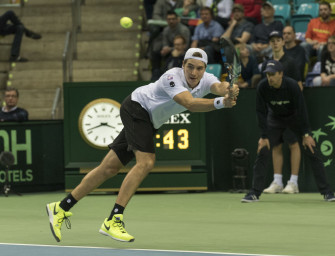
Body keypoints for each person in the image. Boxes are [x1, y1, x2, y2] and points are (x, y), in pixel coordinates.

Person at [46, 48, 239, 243]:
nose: (194, 72)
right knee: (146, 162)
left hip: (148, 120)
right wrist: (221, 103)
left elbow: (218, 86)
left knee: (109, 168)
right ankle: (114, 219)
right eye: (190, 67)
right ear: (183, 65)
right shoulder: (172, 76)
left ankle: (61, 208)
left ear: (204, 69)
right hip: (137, 107)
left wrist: (229, 89)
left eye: (199, 68)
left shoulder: (206, 78)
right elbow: (189, 103)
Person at [241, 60, 335, 203]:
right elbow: (260, 112)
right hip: (275, 119)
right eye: (268, 74)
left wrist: (306, 134)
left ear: (281, 74)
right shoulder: (262, 87)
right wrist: (264, 136)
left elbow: (302, 109)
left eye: (273, 74)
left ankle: (327, 192)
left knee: (311, 149)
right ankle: (254, 193)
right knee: (263, 150)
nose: (270, 78)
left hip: (294, 118)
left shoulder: (292, 85)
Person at [259, 31, 302, 194]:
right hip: (273, 111)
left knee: (293, 144)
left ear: (283, 42)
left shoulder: (290, 62)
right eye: (272, 41)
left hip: (290, 111)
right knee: (276, 145)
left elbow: (299, 86)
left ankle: (294, 182)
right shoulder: (267, 64)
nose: (275, 43)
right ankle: (277, 181)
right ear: (270, 44)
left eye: (278, 40)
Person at [150, 10, 191, 80]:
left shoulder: (183, 30)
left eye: (173, 19)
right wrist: (165, 49)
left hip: (183, 51)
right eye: (169, 19)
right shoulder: (166, 30)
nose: (171, 21)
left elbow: (186, 46)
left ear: (177, 19)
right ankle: (156, 74)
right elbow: (165, 43)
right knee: (156, 53)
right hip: (171, 50)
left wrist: (171, 49)